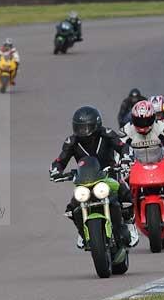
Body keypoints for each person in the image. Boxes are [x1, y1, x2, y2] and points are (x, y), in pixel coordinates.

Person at [49, 105, 138, 248]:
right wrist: (56, 170)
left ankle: (129, 224)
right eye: (80, 128)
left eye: (86, 127)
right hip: (85, 180)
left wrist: (126, 158)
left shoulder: (107, 134)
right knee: (72, 208)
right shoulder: (71, 142)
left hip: (109, 174)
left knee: (125, 194)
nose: (83, 131)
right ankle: (83, 230)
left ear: (96, 124)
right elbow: (61, 160)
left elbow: (123, 147)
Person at [120, 100, 164, 194]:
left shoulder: (163, 128)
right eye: (139, 121)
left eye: (146, 121)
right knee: (120, 186)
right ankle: (128, 202)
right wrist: (123, 164)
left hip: (161, 167)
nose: (142, 124)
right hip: (136, 169)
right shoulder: (126, 130)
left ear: (153, 118)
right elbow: (119, 150)